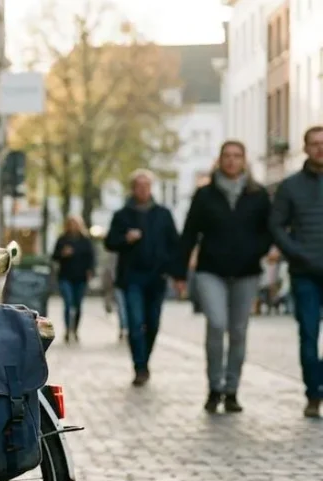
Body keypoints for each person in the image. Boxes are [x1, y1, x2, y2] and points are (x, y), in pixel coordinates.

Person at [173, 140, 273, 414]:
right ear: (219, 160)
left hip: (246, 271)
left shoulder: (258, 195)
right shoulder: (205, 195)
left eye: (237, 156)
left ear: (244, 160)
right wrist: (179, 272)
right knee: (217, 324)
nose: (231, 160)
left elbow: (269, 230)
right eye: (226, 156)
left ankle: (231, 390)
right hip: (211, 270)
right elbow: (189, 233)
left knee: (238, 331)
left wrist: (257, 250)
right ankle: (214, 386)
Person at [105, 169, 183, 386]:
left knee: (153, 323)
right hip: (132, 277)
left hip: (157, 277)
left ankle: (145, 359)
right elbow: (110, 242)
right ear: (132, 189)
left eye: (146, 186)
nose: (143, 190)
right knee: (135, 323)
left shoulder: (163, 214)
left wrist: (175, 271)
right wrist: (125, 239)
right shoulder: (122, 215)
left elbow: (174, 244)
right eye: (139, 186)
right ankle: (139, 366)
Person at [268, 125, 323, 418]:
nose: (320, 149)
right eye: (315, 144)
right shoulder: (290, 187)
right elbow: (276, 225)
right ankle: (313, 393)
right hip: (305, 273)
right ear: (305, 148)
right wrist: (296, 252)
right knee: (309, 335)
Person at [51, 215, 95, 342]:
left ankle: (75, 329)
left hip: (80, 277)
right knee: (68, 303)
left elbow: (91, 257)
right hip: (65, 276)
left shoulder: (85, 240)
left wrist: (90, 270)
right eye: (70, 224)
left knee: (78, 305)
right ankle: (67, 329)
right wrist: (62, 254)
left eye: (75, 224)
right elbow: (54, 256)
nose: (73, 226)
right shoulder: (62, 240)